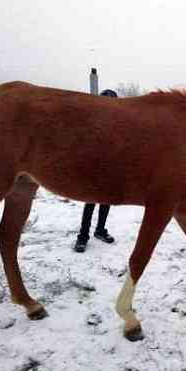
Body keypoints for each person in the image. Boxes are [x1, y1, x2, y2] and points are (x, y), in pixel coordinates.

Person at [74, 89, 117, 252]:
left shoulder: (118, 123)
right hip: (94, 168)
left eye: (112, 101)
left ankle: (100, 230)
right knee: (90, 202)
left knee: (106, 201)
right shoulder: (91, 121)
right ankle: (82, 237)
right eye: (105, 101)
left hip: (110, 167)